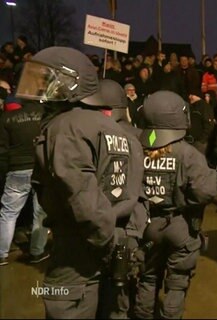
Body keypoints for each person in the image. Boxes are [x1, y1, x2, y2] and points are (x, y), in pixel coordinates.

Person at [15, 46, 143, 318]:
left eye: (46, 79)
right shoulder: (118, 130)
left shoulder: (66, 127)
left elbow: (81, 196)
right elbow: (133, 193)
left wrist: (105, 241)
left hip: (80, 247)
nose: (39, 88)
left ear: (70, 83)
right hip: (114, 241)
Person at [133, 91, 217, 319]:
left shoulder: (136, 150)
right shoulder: (188, 153)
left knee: (148, 278)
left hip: (146, 225)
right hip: (179, 225)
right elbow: (206, 192)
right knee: (177, 283)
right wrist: (185, 200)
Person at [95, 79, 149, 319]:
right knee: (121, 289)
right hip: (129, 224)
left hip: (97, 219)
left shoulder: (88, 132)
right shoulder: (139, 136)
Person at [0, 98, 49, 266]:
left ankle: (1, 254)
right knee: (40, 213)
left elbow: (3, 149)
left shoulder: (6, 118)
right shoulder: (44, 114)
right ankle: (37, 252)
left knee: (8, 212)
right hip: (40, 167)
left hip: (17, 168)